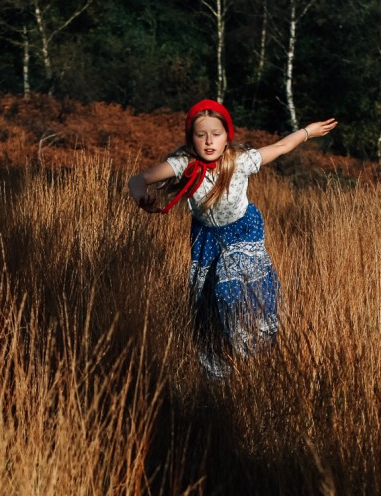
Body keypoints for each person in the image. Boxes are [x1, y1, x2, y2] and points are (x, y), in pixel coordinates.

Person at [128, 99, 337, 379]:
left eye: (216, 134)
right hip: (206, 238)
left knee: (230, 290)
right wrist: (143, 199)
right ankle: (222, 369)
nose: (209, 141)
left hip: (243, 230)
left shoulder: (240, 160)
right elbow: (136, 181)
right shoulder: (183, 164)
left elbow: (280, 147)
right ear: (191, 139)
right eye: (201, 135)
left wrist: (308, 132)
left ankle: (256, 349)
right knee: (208, 300)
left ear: (227, 137)